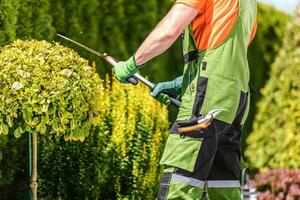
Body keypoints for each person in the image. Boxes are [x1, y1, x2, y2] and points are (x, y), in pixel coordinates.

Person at [113, 0, 257, 199]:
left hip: (209, 96)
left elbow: (169, 30)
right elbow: (229, 53)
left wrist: (132, 63)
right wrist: (182, 83)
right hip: (237, 98)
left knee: (181, 180)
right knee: (223, 180)